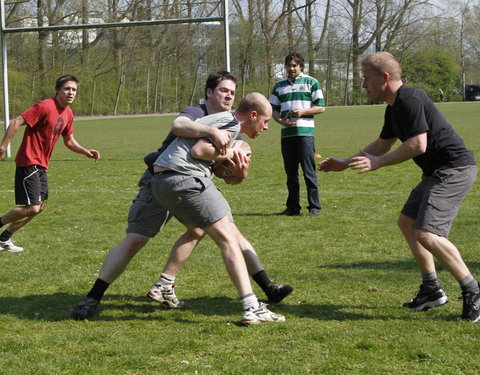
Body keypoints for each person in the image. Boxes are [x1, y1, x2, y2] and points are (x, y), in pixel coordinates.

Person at [72, 72, 292, 320]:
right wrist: (217, 138)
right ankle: (93, 297)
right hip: (169, 178)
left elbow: (222, 173)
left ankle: (166, 285)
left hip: (179, 181)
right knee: (138, 240)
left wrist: (239, 173)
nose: (229, 95)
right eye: (223, 90)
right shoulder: (199, 114)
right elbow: (185, 134)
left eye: (232, 92)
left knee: (204, 230)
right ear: (209, 92)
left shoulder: (233, 127)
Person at [318, 51, 480, 322]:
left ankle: (473, 290)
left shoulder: (410, 98)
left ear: (384, 77)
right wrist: (345, 162)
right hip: (436, 172)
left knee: (428, 234)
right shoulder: (394, 107)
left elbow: (418, 145)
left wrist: (379, 163)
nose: (363, 85)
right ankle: (431, 289)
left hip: (453, 170)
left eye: (366, 78)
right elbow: (383, 144)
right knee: (408, 223)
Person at [150, 92, 285, 324]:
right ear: (253, 115)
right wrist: (233, 152)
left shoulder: (224, 121)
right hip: (185, 179)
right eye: (266, 121)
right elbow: (199, 152)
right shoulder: (231, 124)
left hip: (162, 183)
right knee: (229, 239)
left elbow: (219, 169)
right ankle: (251, 307)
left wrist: (237, 172)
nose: (267, 127)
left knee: (198, 230)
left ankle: (164, 284)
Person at [0, 75, 100, 252]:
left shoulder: (68, 113)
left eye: (74, 90)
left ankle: (4, 238)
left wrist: (85, 151)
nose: (71, 93)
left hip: (42, 165)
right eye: (67, 89)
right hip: (28, 160)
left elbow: (69, 141)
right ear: (58, 90)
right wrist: (3, 147)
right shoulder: (45, 106)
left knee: (39, 207)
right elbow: (16, 122)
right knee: (33, 207)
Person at [270, 52, 326, 217]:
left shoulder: (311, 82)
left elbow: (321, 107)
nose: (291, 68)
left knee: (309, 172)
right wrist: (281, 121)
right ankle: (293, 208)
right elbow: (272, 109)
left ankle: (314, 207)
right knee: (291, 174)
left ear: (301, 66)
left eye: (294, 65)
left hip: (305, 134)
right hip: (287, 135)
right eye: (289, 65)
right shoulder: (279, 85)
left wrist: (303, 111)